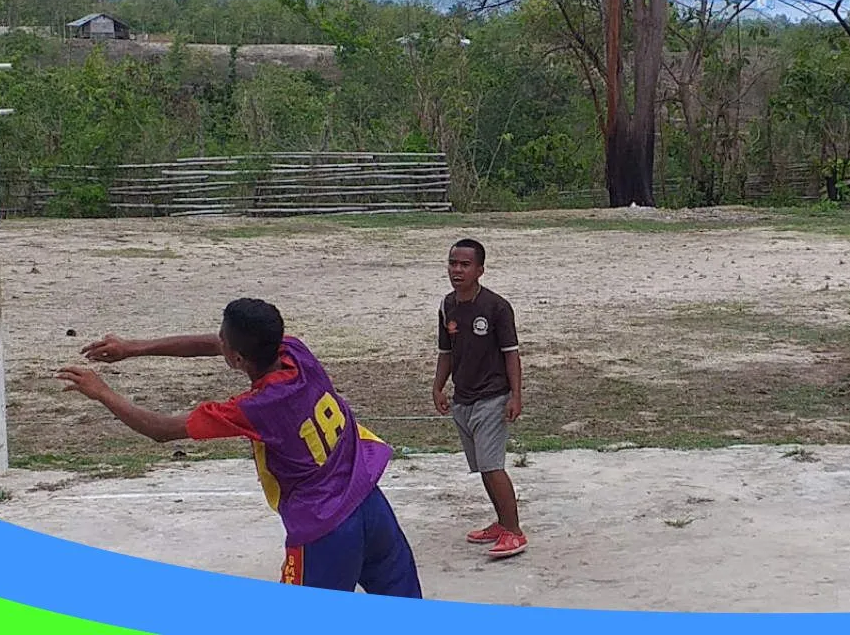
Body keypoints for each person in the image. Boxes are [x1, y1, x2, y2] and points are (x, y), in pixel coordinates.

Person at [56, 297, 423, 596]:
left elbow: (161, 430)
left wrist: (101, 391)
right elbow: (212, 344)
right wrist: (133, 348)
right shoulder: (296, 352)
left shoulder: (256, 408)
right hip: (369, 500)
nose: (217, 342)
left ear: (237, 359)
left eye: (224, 342)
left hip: (326, 527)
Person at [432, 238, 527, 559]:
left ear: (480, 270)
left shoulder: (497, 308)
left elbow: (511, 355)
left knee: (492, 466)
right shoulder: (447, 306)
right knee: (482, 468)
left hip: (493, 397)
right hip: (463, 399)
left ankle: (514, 531)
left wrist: (515, 395)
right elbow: (446, 352)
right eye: (453, 263)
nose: (457, 270)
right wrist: (438, 386)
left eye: (465, 264)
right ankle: (501, 523)